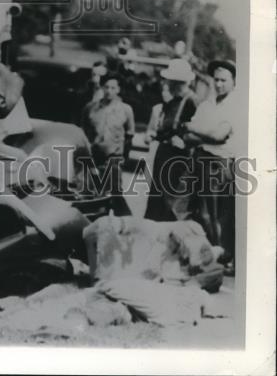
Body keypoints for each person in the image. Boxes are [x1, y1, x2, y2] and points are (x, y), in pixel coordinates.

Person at [185, 58, 238, 273]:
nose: (218, 85)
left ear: (233, 81)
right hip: (200, 158)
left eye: (223, 80)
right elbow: (188, 137)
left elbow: (219, 135)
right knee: (199, 210)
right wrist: (202, 133)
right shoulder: (207, 105)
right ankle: (208, 254)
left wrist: (194, 127)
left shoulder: (235, 105)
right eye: (215, 80)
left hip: (219, 162)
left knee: (217, 214)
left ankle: (222, 256)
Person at [144, 58, 198, 222]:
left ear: (179, 82)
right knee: (156, 195)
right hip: (164, 152)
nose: (167, 84)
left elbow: (198, 130)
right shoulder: (172, 102)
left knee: (170, 197)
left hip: (178, 156)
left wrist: (185, 142)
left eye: (171, 81)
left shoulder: (191, 101)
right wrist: (156, 135)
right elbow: (163, 127)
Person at [81, 74, 135, 196]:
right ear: (101, 87)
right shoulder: (90, 108)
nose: (109, 91)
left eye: (113, 88)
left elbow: (129, 135)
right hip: (94, 156)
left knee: (114, 193)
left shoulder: (126, 109)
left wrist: (124, 156)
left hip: (114, 158)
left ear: (118, 89)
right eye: (106, 87)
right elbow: (84, 132)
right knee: (91, 192)